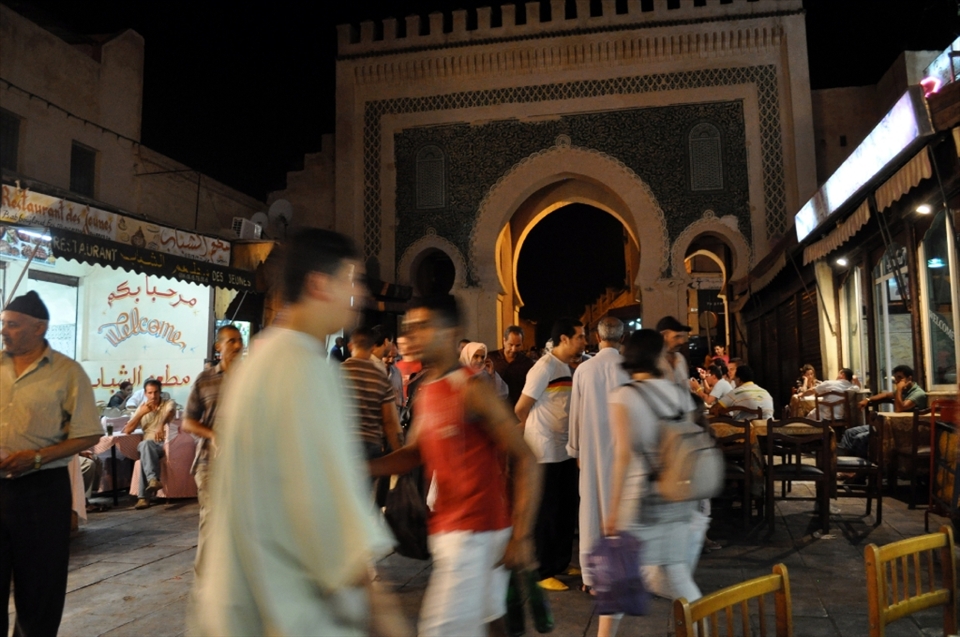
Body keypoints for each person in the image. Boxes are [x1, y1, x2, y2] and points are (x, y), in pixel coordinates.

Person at [189, 228, 405, 637]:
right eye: (352, 280)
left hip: (244, 604)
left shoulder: (264, 358)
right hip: (289, 610)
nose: (358, 293)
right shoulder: (306, 370)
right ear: (320, 285)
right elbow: (328, 511)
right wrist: (386, 617)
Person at [370, 295, 541, 637]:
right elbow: (416, 452)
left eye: (423, 326)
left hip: (475, 535)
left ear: (450, 333)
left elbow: (525, 456)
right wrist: (364, 467)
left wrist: (521, 535)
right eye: (409, 328)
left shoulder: (472, 390)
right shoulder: (429, 389)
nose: (411, 335)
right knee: (492, 623)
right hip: (456, 532)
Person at [0, 290, 102, 636]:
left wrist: (38, 457)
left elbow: (88, 434)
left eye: (12, 325)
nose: (4, 331)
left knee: (39, 590)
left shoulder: (68, 373)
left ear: (39, 328)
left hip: (41, 493)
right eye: (3, 324)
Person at [600, 329, 702, 637]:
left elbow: (623, 457)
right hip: (677, 498)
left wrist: (613, 512)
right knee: (679, 576)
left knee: (618, 582)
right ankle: (702, 629)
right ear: (655, 356)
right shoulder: (681, 395)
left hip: (639, 502)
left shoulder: (624, 396)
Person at [515, 317, 586, 590]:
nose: (584, 341)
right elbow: (521, 408)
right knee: (547, 512)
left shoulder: (568, 367)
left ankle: (560, 561)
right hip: (544, 451)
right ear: (564, 339)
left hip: (566, 449)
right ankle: (542, 570)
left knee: (566, 509)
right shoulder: (543, 368)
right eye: (579, 336)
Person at [567, 316, 628, 594]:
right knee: (620, 510)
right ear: (622, 338)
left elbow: (575, 414)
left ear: (597, 337)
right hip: (623, 450)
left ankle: (592, 578)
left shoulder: (584, 370)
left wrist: (575, 448)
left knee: (591, 509)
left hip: (591, 449)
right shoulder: (629, 369)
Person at [181, 324, 243, 573]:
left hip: (245, 463)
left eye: (240, 341)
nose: (238, 346)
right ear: (219, 347)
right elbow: (188, 421)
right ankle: (204, 579)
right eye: (232, 341)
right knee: (213, 518)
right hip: (210, 462)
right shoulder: (205, 379)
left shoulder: (251, 378)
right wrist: (213, 434)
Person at [342, 326, 403, 467]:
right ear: (372, 347)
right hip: (371, 447)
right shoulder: (380, 377)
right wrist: (399, 455)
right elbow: (389, 422)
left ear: (351, 346)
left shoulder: (337, 372)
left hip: (344, 443)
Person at [840, 365, 928, 458]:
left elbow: (900, 408)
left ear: (909, 378)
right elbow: (886, 395)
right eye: (896, 378)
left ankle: (862, 466)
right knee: (849, 432)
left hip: (900, 429)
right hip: (888, 423)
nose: (897, 381)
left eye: (900, 378)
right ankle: (845, 462)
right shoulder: (904, 391)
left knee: (860, 438)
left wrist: (899, 389)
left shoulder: (918, 393)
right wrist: (868, 400)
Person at [123, 379, 176, 509]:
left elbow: (170, 413)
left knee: (143, 458)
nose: (153, 396)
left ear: (160, 392)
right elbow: (128, 430)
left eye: (156, 392)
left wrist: (160, 425)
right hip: (148, 444)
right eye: (150, 393)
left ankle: (143, 498)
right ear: (145, 394)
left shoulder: (168, 403)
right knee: (146, 446)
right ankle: (152, 480)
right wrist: (141, 413)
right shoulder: (142, 408)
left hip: (164, 445)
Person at [488, 325, 534, 407]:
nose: (513, 349)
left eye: (518, 345)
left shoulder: (527, 364)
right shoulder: (491, 358)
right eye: (510, 344)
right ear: (504, 341)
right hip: (495, 408)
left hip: (517, 409)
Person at [656, 316, 692, 387]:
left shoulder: (681, 359)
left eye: (682, 337)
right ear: (664, 336)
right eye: (677, 337)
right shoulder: (653, 362)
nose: (681, 341)